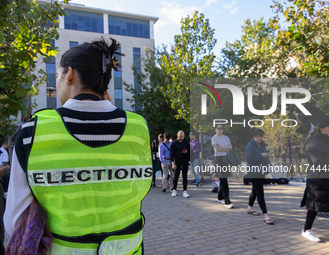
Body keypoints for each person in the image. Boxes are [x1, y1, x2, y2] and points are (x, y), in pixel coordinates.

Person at [4, 37, 152, 254]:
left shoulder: (33, 131)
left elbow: (15, 221)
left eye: (58, 76)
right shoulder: (138, 127)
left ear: (69, 74)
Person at [300, 117, 329, 242]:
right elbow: (318, 163)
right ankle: (306, 230)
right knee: (314, 206)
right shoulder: (313, 142)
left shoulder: (326, 140)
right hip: (318, 180)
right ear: (322, 128)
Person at [245, 128, 274, 225]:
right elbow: (249, 159)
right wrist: (261, 156)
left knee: (255, 190)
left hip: (262, 171)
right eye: (259, 136)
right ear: (254, 136)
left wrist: (268, 164)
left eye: (262, 136)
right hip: (253, 172)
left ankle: (250, 207)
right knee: (260, 193)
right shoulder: (250, 145)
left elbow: (264, 157)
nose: (261, 138)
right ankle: (266, 215)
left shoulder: (263, 144)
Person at [211, 125, 234, 208]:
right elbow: (218, 149)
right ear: (215, 129)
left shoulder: (226, 137)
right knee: (224, 180)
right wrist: (226, 148)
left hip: (226, 159)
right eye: (218, 128)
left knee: (223, 179)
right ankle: (227, 202)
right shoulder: (214, 138)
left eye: (222, 128)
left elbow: (230, 147)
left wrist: (224, 148)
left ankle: (220, 197)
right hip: (218, 160)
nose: (220, 130)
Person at [171, 130, 190, 198]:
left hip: (185, 162)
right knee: (176, 176)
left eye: (183, 136)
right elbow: (172, 154)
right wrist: (173, 163)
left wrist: (187, 151)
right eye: (180, 136)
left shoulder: (186, 143)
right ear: (177, 135)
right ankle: (174, 190)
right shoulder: (174, 143)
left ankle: (185, 191)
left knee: (185, 177)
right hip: (177, 162)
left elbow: (190, 151)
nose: (181, 138)